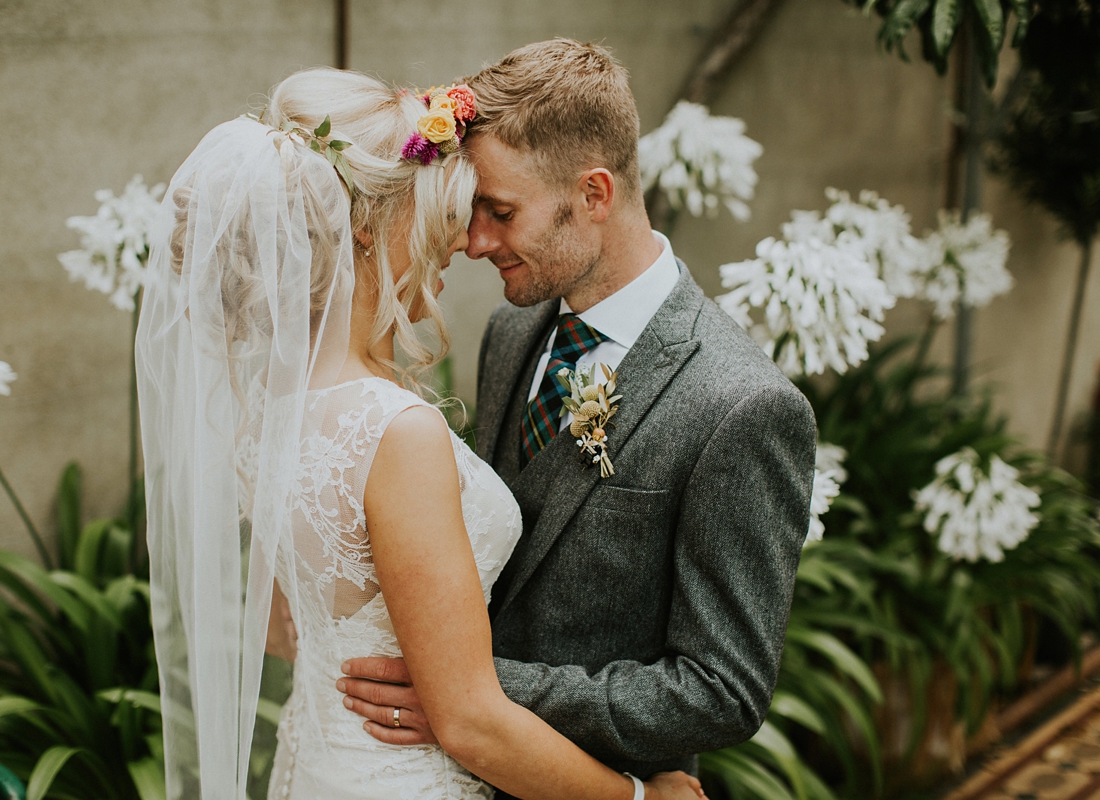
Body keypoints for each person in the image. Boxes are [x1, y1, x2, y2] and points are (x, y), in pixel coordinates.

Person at [137, 67, 704, 800]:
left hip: (316, 763)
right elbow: (468, 721)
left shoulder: (265, 408)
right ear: (367, 227)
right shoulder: (393, 431)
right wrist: (639, 798)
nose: (460, 240)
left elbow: (287, 631)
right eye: (437, 211)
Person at [337, 39, 817, 792]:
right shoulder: (511, 333)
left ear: (594, 195)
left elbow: (721, 690)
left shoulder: (743, 408)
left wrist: (477, 696)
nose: (472, 243)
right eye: (472, 213)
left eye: (499, 212)